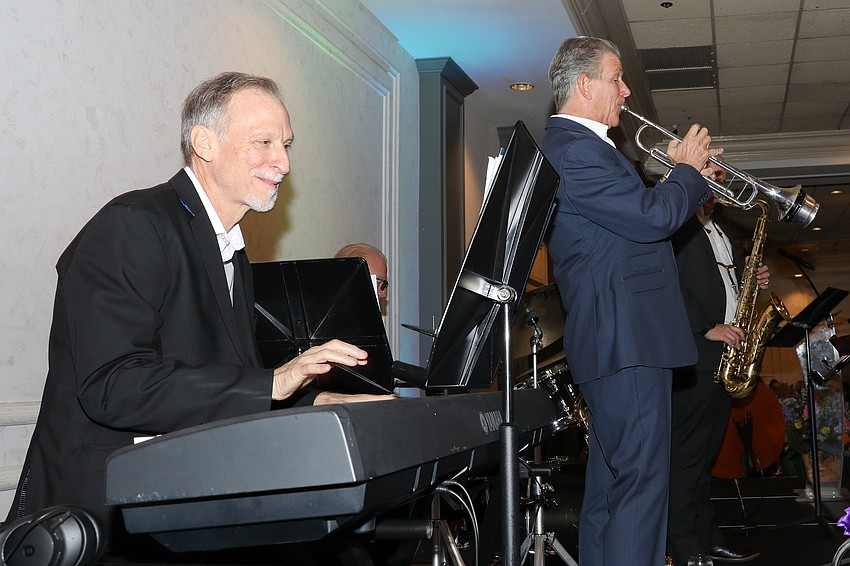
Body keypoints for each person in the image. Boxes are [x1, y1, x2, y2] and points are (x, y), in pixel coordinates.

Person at [5, 72, 395, 548]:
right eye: (264, 142)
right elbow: (112, 384)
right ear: (204, 143)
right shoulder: (133, 224)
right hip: (99, 519)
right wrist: (272, 383)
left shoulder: (231, 252)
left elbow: (221, 380)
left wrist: (319, 404)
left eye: (287, 144)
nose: (283, 162)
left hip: (176, 505)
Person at [541, 36, 721, 566]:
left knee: (611, 491)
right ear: (584, 84)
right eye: (616, 79)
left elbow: (633, 224)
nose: (625, 90)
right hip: (627, 340)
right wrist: (686, 173)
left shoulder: (587, 148)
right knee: (641, 489)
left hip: (620, 340)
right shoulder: (574, 149)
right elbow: (651, 219)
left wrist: (684, 181)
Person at [668, 189, 766, 565]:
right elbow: (670, 281)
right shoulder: (677, 226)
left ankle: (706, 538)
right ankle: (682, 547)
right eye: (710, 179)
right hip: (696, 355)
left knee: (706, 458)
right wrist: (708, 326)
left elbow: (727, 289)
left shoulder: (721, 232)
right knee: (686, 459)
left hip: (724, 357)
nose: (716, 191)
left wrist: (751, 279)